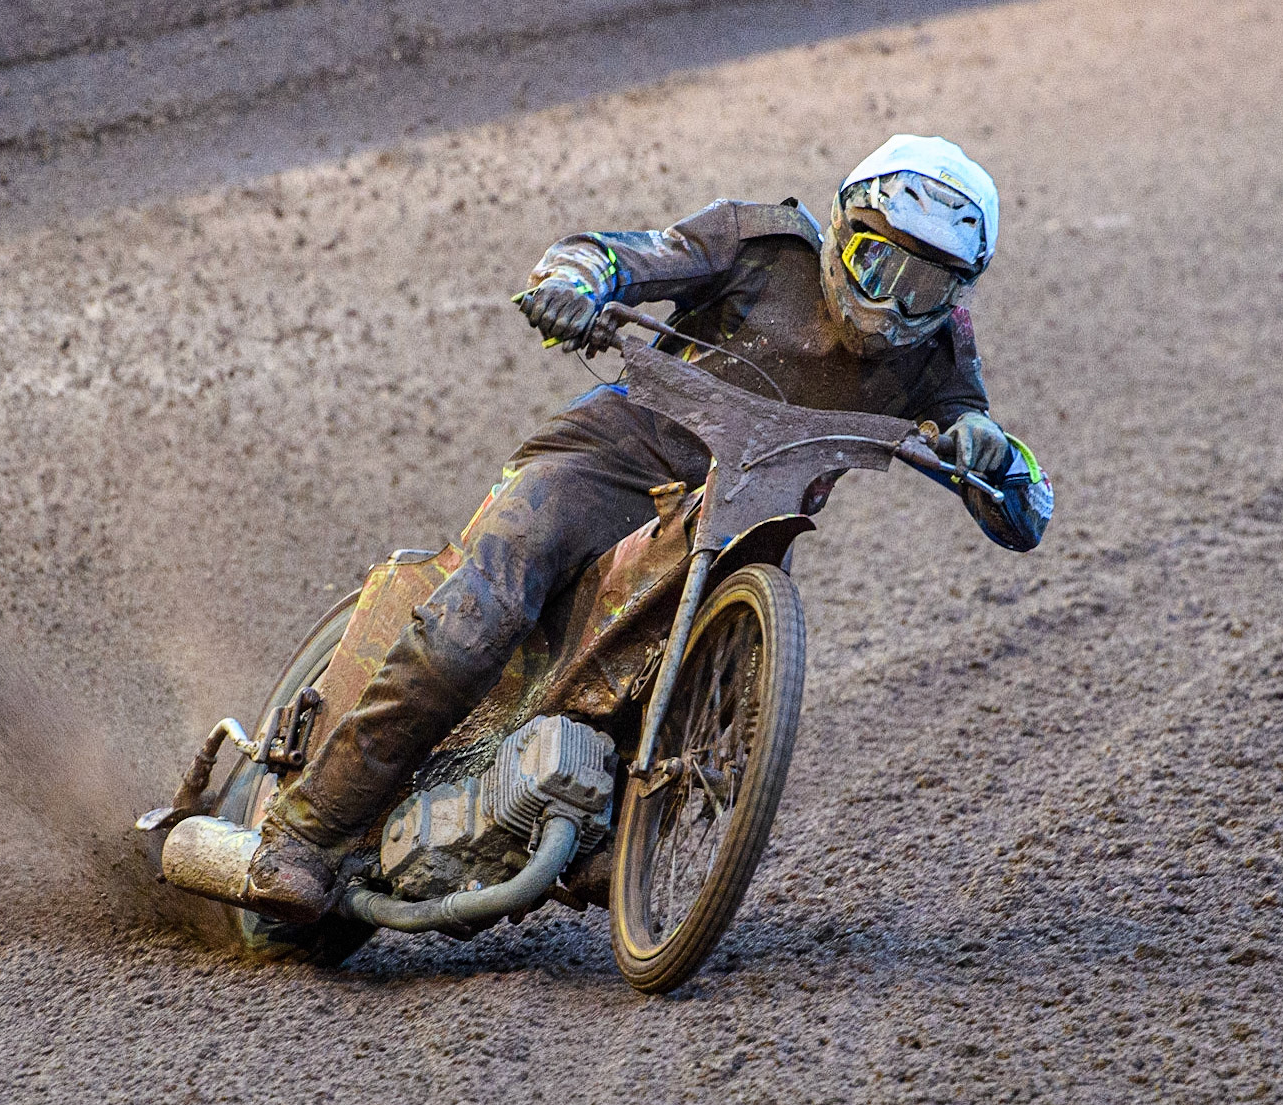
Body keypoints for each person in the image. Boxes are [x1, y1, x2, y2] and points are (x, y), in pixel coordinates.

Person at [244, 134, 1054, 923]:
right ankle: (306, 828)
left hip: (739, 523)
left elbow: (1019, 500)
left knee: (736, 713)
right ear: (844, 232)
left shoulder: (940, 353)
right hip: (608, 463)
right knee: (477, 613)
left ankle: (616, 834)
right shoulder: (761, 246)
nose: (895, 303)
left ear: (957, 296)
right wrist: (575, 281)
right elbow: (617, 253)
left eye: (927, 287)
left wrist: (992, 452)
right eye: (881, 265)